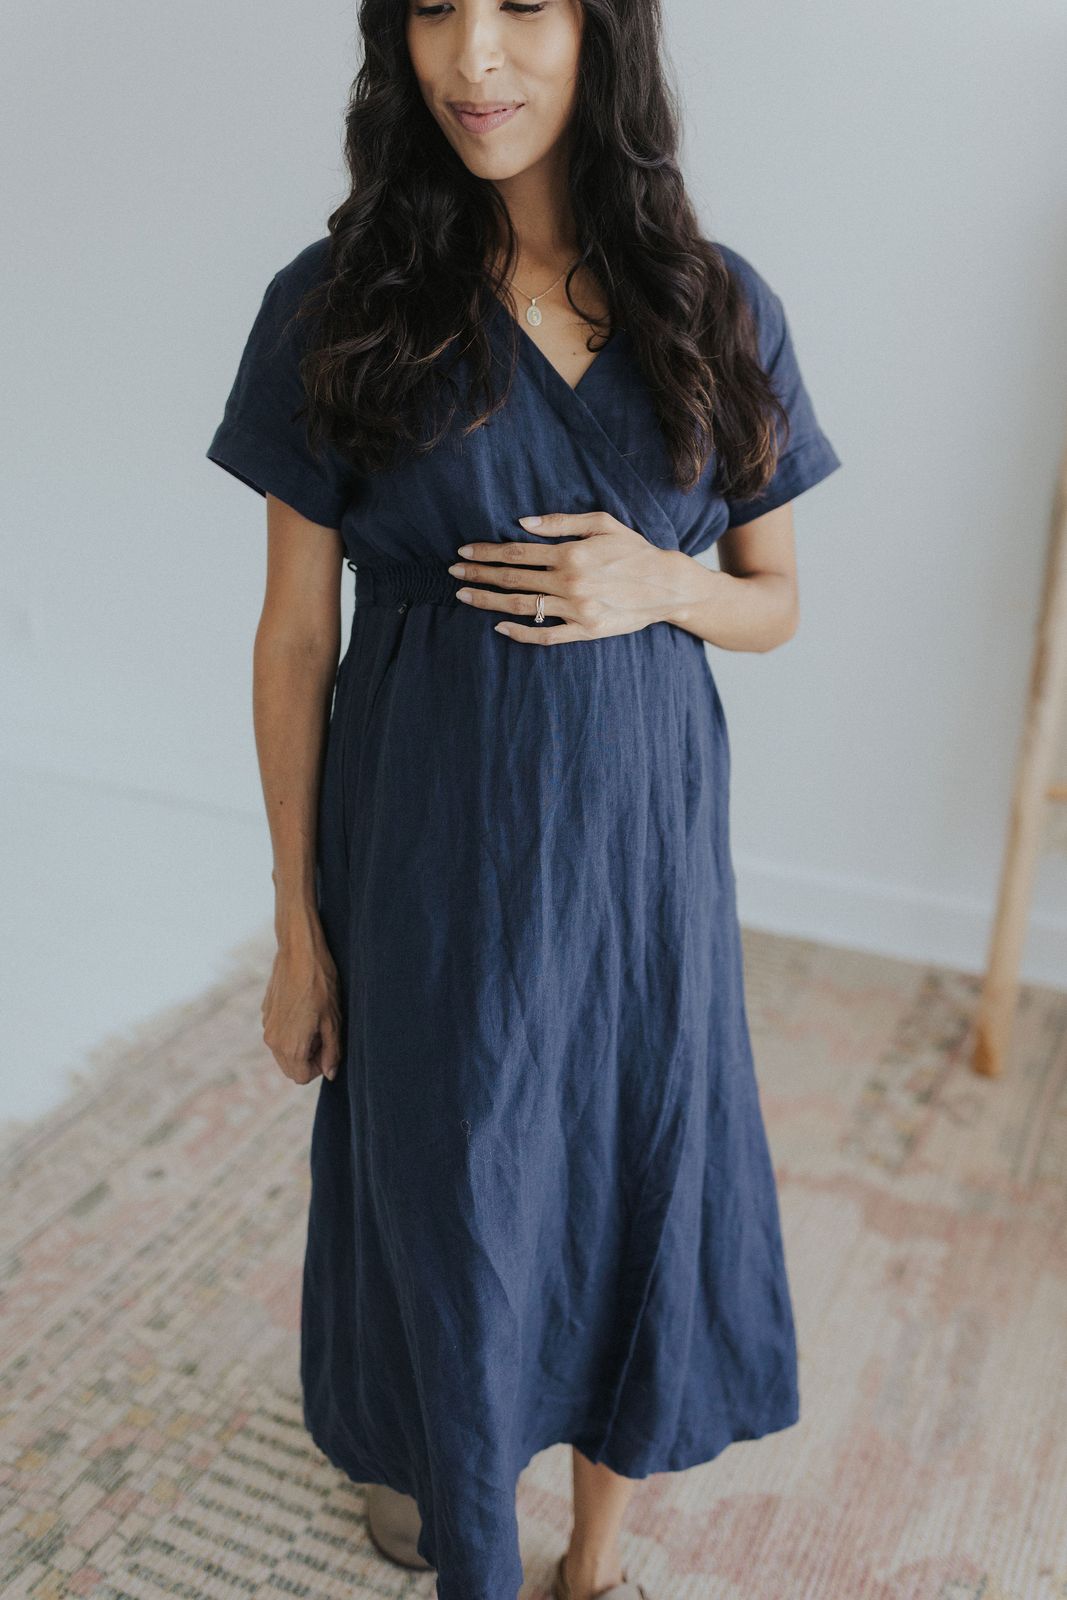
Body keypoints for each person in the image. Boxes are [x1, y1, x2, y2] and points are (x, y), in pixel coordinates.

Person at [205, 2, 842, 1596]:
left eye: (520, 8)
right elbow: (295, 636)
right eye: (434, 10)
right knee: (455, 1170)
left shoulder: (711, 303)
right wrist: (297, 925)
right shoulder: (338, 303)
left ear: (600, 31)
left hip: (640, 856)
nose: (473, 59)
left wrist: (662, 584)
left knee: (643, 1158)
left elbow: (774, 598)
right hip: (428, 845)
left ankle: (594, 1558)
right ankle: (451, 1485)